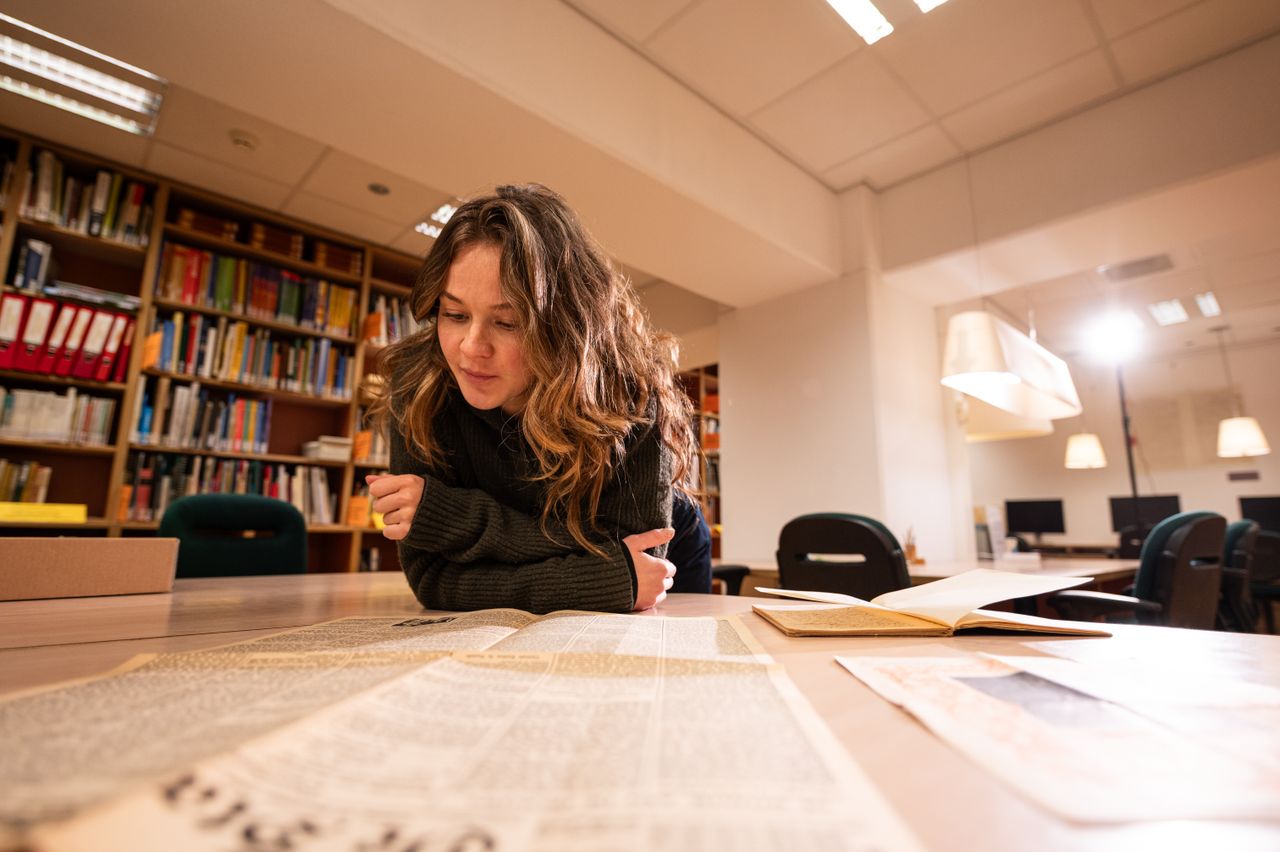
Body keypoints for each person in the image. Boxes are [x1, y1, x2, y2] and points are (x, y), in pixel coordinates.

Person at [367, 183, 711, 614]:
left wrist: (451, 517)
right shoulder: (418, 383)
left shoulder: (632, 391)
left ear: (564, 328)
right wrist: (592, 573)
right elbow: (433, 581)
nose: (471, 347)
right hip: (608, 570)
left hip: (670, 559)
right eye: (454, 315)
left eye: (508, 322)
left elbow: (637, 568)